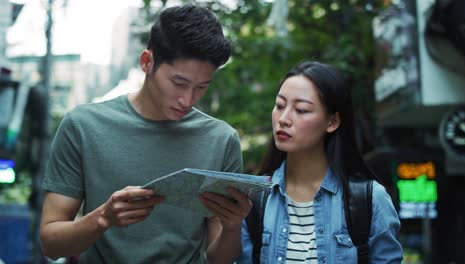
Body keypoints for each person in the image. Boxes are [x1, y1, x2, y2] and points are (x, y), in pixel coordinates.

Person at [40, 5, 252, 263]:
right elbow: (50, 243)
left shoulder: (221, 139)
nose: (187, 99)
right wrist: (103, 218)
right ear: (147, 62)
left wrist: (232, 227)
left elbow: (220, 259)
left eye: (201, 87)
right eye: (179, 83)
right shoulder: (83, 125)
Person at [237, 61, 403, 263]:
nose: (283, 119)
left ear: (332, 122)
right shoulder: (254, 197)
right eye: (279, 106)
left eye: (301, 110)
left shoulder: (370, 199)